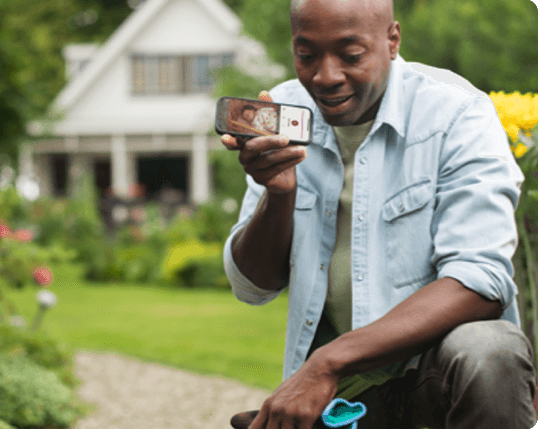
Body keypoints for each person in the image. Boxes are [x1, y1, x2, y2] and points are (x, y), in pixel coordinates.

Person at [221, 0, 536, 428]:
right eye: (306, 55)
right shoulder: (281, 113)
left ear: (392, 41)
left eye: (351, 56)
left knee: (490, 349)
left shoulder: (458, 114)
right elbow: (253, 285)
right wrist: (277, 195)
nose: (326, 77)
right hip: (345, 394)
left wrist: (326, 363)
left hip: (431, 375)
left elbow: (481, 279)